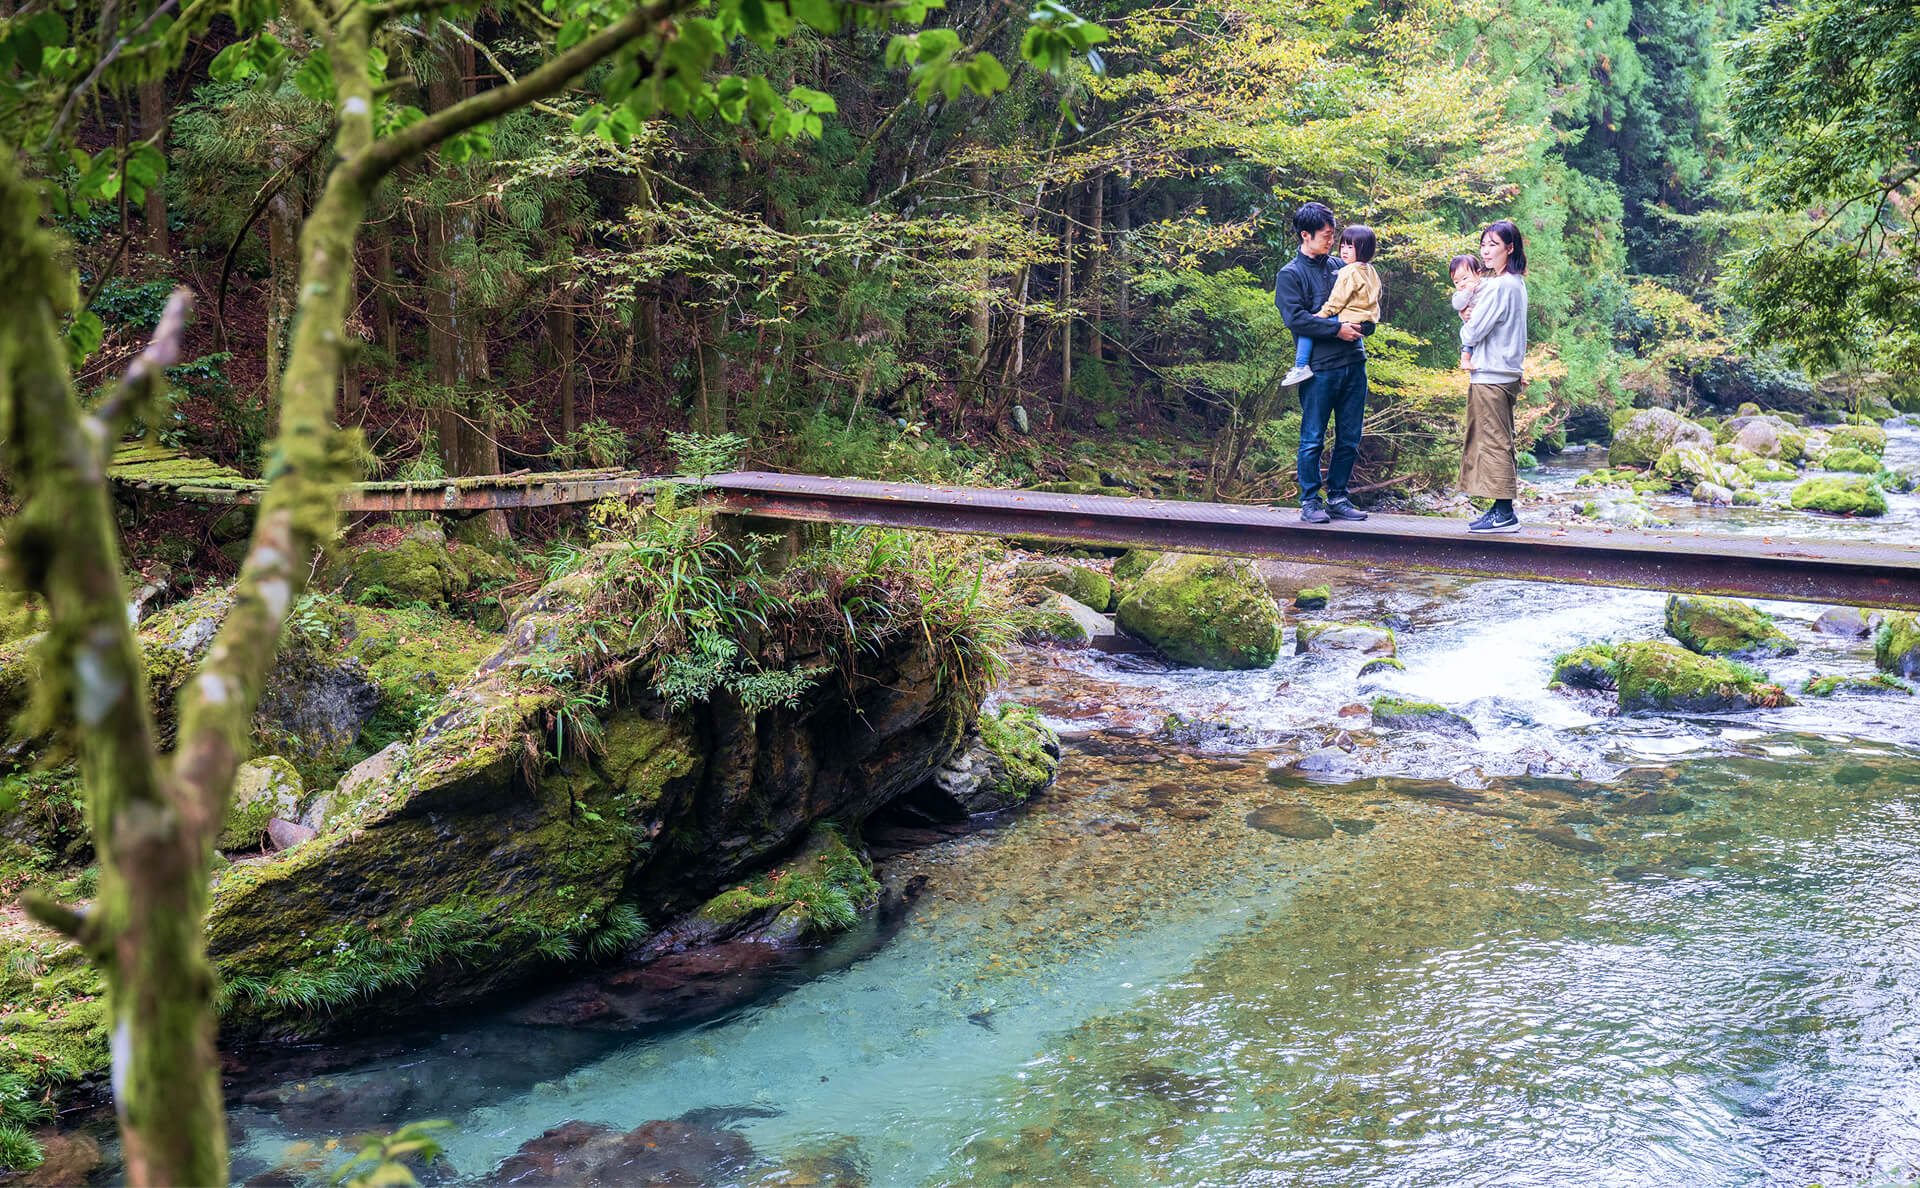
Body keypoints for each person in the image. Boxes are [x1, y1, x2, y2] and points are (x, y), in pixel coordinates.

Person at [1275, 202, 1374, 524]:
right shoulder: (1290, 274)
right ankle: (1309, 502)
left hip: (1354, 362)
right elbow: (1297, 320)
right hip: (1318, 369)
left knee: (1349, 438)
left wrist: (1365, 326)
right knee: (1313, 437)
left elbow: (1364, 303)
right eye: (1326, 236)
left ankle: (1339, 497)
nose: (1332, 242)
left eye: (1334, 235)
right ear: (1305, 235)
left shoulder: (1343, 266)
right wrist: (1336, 329)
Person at [1457, 220, 1529, 534]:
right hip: (1505, 372)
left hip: (1491, 374)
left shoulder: (1500, 286)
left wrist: (1463, 322)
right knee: (1498, 439)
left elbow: (1473, 329)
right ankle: (1499, 509)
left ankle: (1504, 512)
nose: (1486, 251)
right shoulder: (1515, 283)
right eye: (1484, 244)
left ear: (1509, 248)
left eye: (1494, 245)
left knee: (1494, 441)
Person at [1283, 225, 1382, 388]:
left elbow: (1337, 300)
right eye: (1343, 245)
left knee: (1308, 328)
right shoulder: (1371, 270)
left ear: (1363, 248)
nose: (1344, 250)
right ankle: (1301, 366)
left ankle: (1301, 366)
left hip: (1348, 318)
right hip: (1366, 318)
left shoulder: (1347, 271)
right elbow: (1378, 294)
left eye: (1350, 247)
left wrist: (1322, 314)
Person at [1448, 253, 1484, 326]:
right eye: (1456, 282)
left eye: (1465, 278)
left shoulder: (1487, 285)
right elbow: (1458, 305)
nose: (1461, 284)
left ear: (1478, 274)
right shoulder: (1459, 294)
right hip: (1475, 328)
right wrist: (1468, 291)